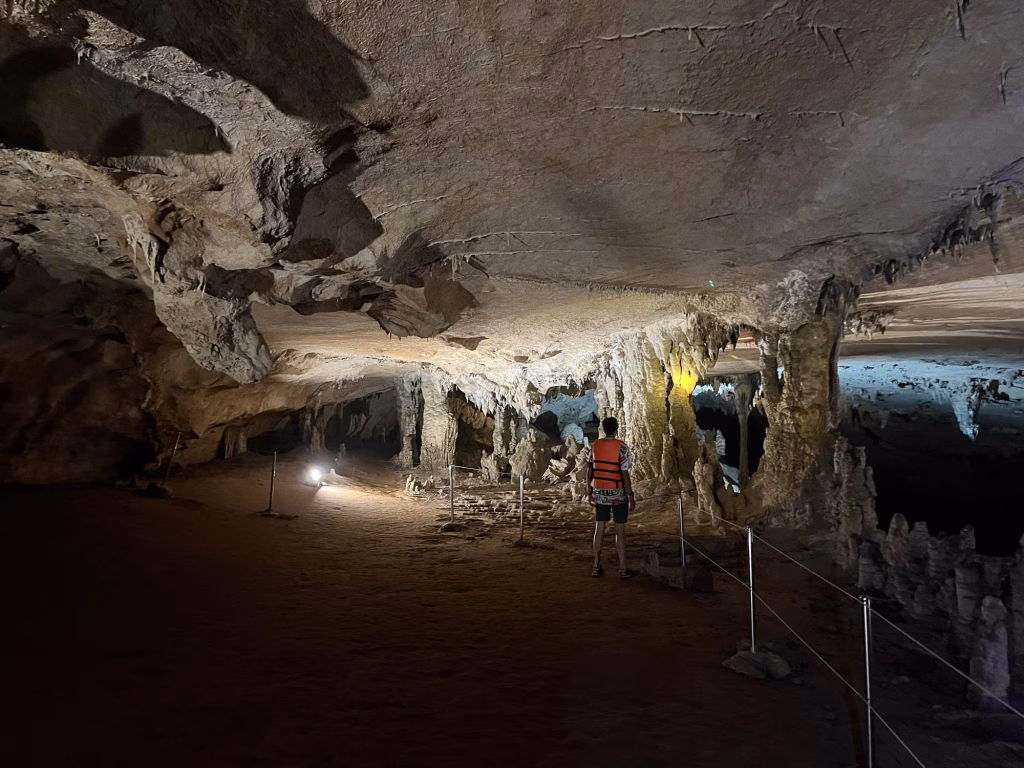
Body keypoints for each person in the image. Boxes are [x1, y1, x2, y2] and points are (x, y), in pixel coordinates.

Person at [587, 417, 637, 579]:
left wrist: (589, 492)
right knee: (619, 530)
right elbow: (624, 473)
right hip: (617, 493)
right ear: (616, 428)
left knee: (599, 528)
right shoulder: (622, 448)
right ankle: (623, 569)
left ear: (603, 428)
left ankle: (596, 566)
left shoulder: (595, 445)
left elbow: (590, 470)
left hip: (600, 492)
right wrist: (630, 495)